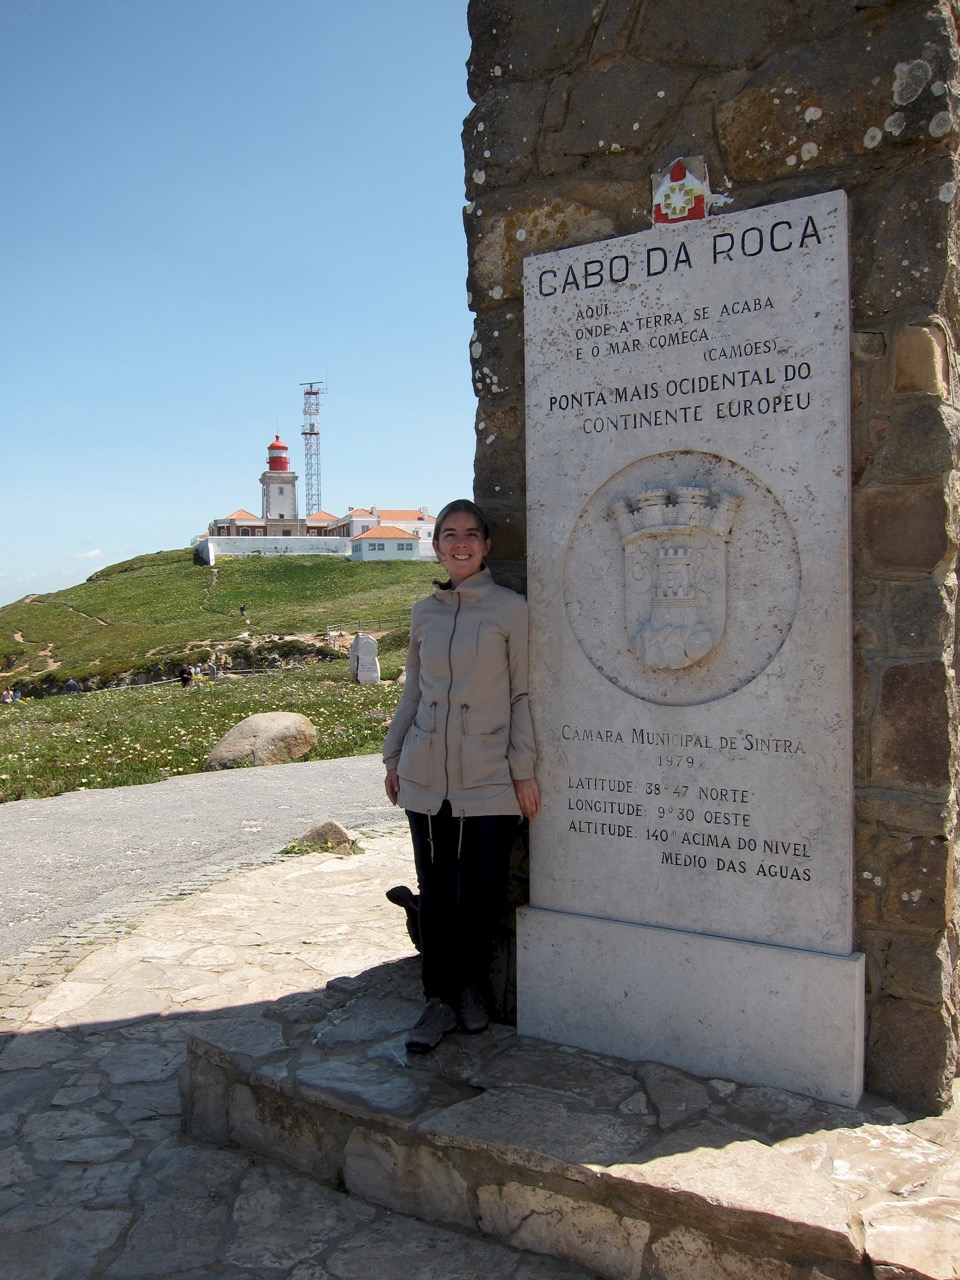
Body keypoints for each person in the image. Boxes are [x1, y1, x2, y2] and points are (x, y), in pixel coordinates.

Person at [382, 499, 540, 1053]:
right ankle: (438, 1000)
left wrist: (523, 771)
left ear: (487, 545)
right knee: (436, 891)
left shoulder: (510, 610)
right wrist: (392, 756)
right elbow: (413, 692)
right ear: (437, 546)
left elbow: (523, 695)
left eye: (471, 534)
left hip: (490, 776)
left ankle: (472, 990)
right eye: (449, 534)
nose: (460, 543)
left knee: (480, 893)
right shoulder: (423, 612)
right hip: (425, 774)